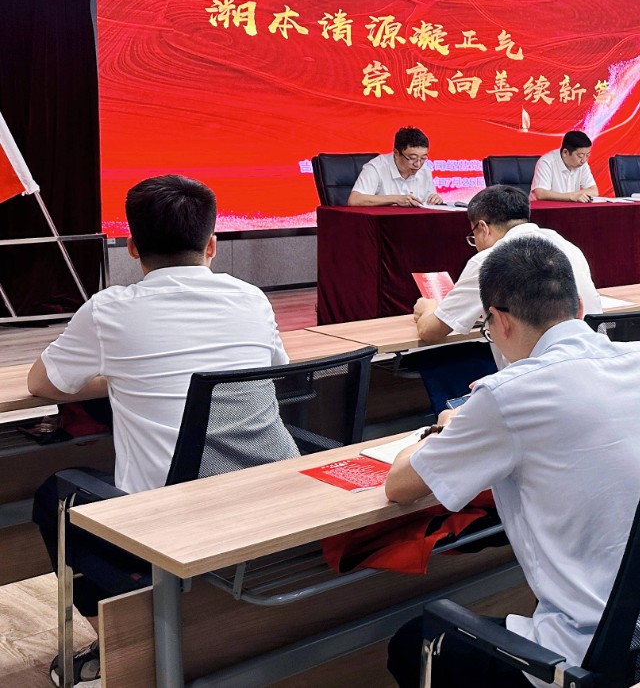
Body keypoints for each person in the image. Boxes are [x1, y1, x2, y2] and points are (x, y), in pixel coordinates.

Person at [384, 236, 640, 687]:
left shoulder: (508, 394)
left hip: (593, 655)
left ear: (500, 320)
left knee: (411, 642)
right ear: (578, 308)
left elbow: (400, 486)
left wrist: (443, 428)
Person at [29, 175, 298, 685]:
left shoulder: (109, 309)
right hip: (271, 500)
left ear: (132, 247)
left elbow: (42, 384)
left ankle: (119, 642)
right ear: (212, 245)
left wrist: (117, 375)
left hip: (173, 525)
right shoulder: (251, 297)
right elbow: (272, 368)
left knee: (54, 497)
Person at [411, 185, 603, 409]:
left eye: (473, 236)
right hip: (592, 370)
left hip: (534, 390)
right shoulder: (565, 244)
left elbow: (431, 331)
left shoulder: (490, 259)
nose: (475, 245)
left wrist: (428, 307)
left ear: (483, 227)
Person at [347, 126, 445, 207]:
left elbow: (428, 202)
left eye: (423, 158)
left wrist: (435, 200)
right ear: (396, 153)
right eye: (412, 158)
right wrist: (396, 199)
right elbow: (354, 200)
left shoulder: (425, 170)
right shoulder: (376, 168)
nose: (418, 164)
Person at [533, 130, 599, 202]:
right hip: (545, 208)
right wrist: (572, 196)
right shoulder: (546, 162)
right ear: (565, 152)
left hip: (570, 207)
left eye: (587, 155)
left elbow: (594, 191)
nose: (584, 160)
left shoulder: (582, 164)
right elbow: (541, 193)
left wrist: (574, 196)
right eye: (580, 156)